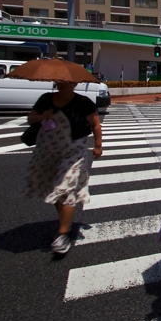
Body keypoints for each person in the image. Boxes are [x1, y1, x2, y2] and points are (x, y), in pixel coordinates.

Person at [23, 80, 103, 255]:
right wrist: (43, 116)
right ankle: (64, 221)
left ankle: (63, 234)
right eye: (59, 81)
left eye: (67, 82)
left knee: (65, 187)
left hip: (74, 151)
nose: (62, 84)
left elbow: (95, 124)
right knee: (55, 188)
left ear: (75, 83)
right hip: (48, 150)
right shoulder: (46, 99)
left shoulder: (83, 102)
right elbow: (30, 118)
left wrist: (98, 145)